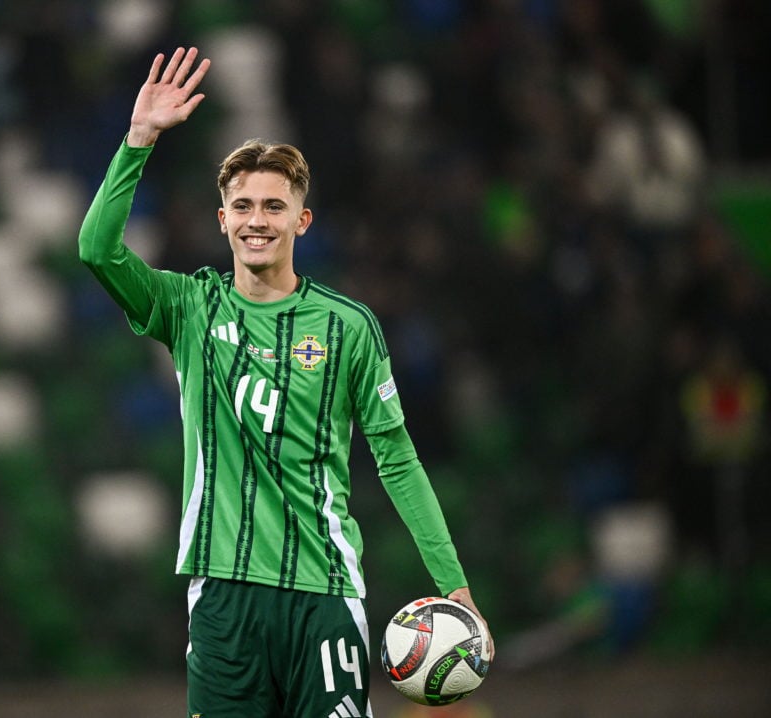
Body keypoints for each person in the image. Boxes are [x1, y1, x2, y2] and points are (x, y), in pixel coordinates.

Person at [79, 46, 491, 717]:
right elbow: (96, 250)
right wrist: (138, 141)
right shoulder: (189, 307)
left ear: (301, 220)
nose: (257, 219)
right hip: (221, 596)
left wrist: (456, 586)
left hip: (324, 592)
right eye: (242, 205)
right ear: (223, 222)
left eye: (274, 205)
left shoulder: (348, 327)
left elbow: (398, 461)